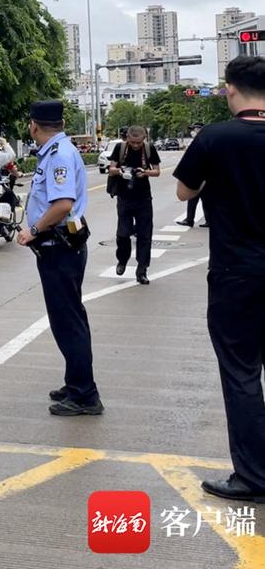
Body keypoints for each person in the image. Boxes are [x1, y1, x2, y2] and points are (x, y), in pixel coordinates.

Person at [174, 56, 265, 503]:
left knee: (242, 373)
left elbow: (184, 191)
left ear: (230, 90)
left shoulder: (215, 138)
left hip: (237, 275)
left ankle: (253, 476)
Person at [17, 101, 103, 417]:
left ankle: (85, 395)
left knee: (68, 321)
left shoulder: (59, 156)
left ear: (34, 126)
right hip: (60, 246)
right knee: (69, 318)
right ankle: (76, 382)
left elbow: (63, 204)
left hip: (59, 246)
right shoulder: (58, 151)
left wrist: (33, 230)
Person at [108, 126, 161, 285]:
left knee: (145, 235)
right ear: (127, 139)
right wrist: (119, 171)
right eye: (133, 142)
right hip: (124, 197)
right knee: (123, 234)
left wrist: (145, 172)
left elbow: (157, 171)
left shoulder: (149, 148)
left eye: (139, 142)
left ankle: (142, 270)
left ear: (144, 138)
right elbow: (110, 169)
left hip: (144, 198)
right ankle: (122, 259)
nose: (136, 145)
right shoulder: (120, 147)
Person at [176, 126, 209, 228]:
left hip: (201, 174)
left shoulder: (202, 142)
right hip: (201, 174)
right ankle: (192, 219)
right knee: (199, 199)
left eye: (194, 130)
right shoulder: (199, 141)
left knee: (199, 199)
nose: (192, 132)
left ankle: (191, 220)